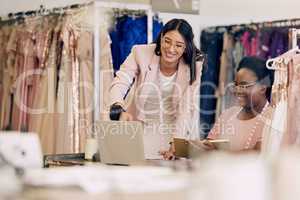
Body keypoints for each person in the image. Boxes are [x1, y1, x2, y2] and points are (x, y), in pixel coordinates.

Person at [109, 19, 204, 159]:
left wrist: (176, 142)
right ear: (161, 37)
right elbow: (121, 80)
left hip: (175, 132)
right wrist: (118, 107)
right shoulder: (140, 53)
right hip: (141, 129)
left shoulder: (194, 65)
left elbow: (186, 107)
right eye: (167, 41)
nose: (171, 49)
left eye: (178, 45)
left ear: (186, 47)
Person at [198, 56, 274, 152]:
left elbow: (257, 154)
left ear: (263, 87)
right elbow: (208, 146)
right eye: (236, 85)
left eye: (244, 85)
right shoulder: (228, 114)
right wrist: (188, 146)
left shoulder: (273, 118)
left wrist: (218, 154)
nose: (237, 90)